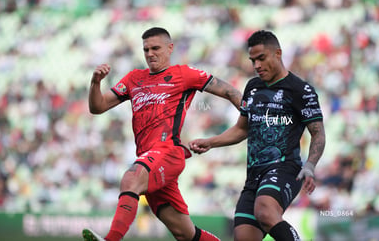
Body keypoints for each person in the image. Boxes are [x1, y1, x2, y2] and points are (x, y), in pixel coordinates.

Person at [82, 27, 242, 241]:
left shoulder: (184, 74)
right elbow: (97, 107)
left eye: (155, 48)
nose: (150, 53)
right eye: (146, 49)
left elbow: (230, 91)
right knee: (185, 234)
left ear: (170, 48)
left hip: (168, 153)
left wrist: (253, 115)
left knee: (131, 179)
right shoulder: (133, 79)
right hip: (149, 160)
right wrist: (95, 83)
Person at [189, 30, 325, 241]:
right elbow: (243, 129)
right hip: (254, 176)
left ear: (278, 53)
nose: (257, 66)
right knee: (243, 237)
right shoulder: (252, 87)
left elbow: (317, 134)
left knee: (265, 211)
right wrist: (210, 142)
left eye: (261, 58)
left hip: (285, 168)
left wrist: (310, 165)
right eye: (253, 60)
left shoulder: (301, 90)